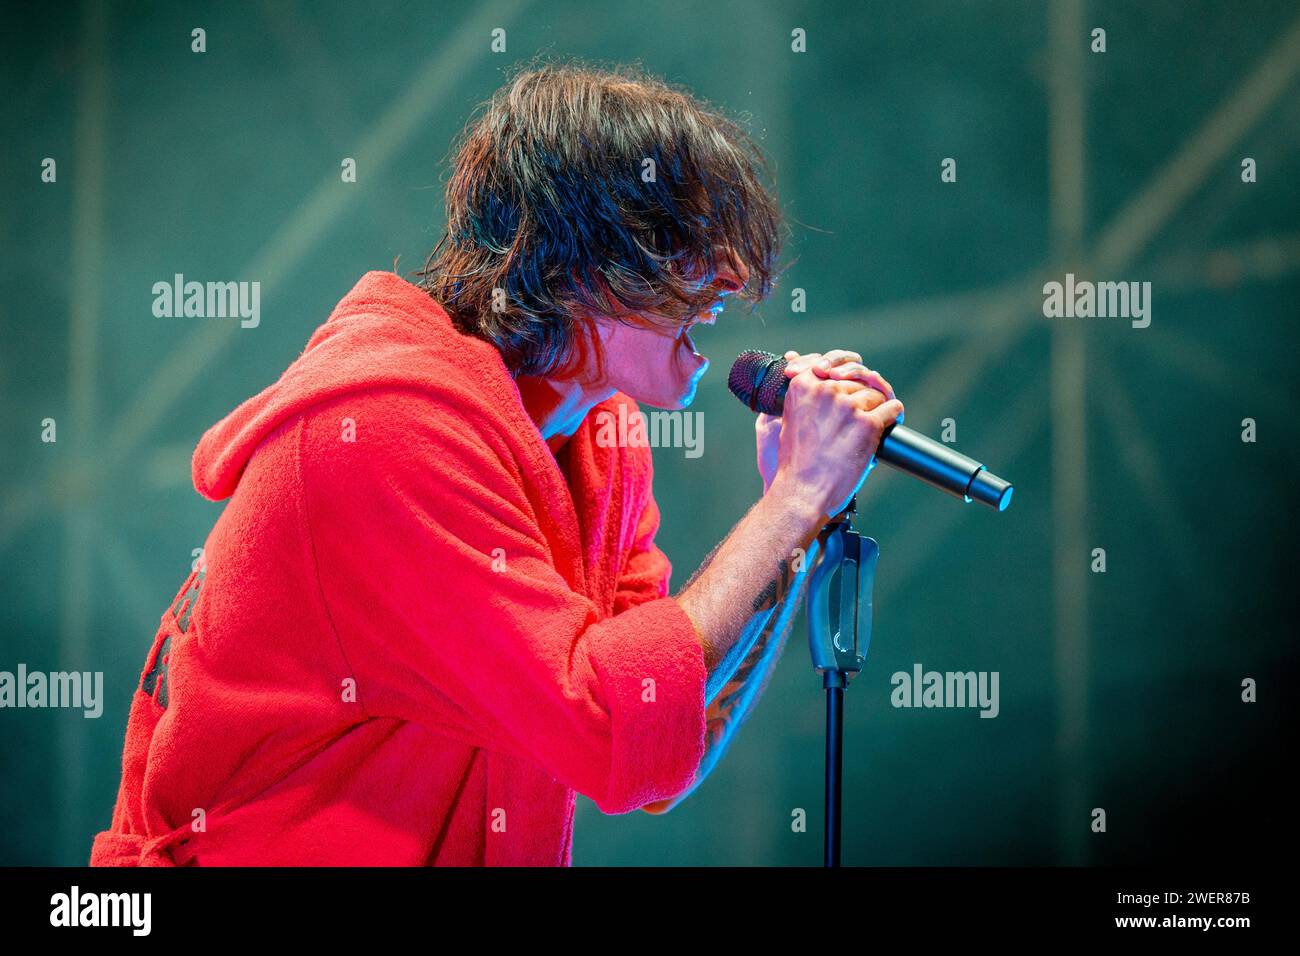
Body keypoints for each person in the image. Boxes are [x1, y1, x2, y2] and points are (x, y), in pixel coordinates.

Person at [90, 62, 902, 866]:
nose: (729, 278)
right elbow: (610, 726)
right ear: (576, 259)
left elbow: (658, 747)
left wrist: (799, 518)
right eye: (685, 243)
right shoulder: (383, 432)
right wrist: (792, 502)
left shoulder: (601, 443)